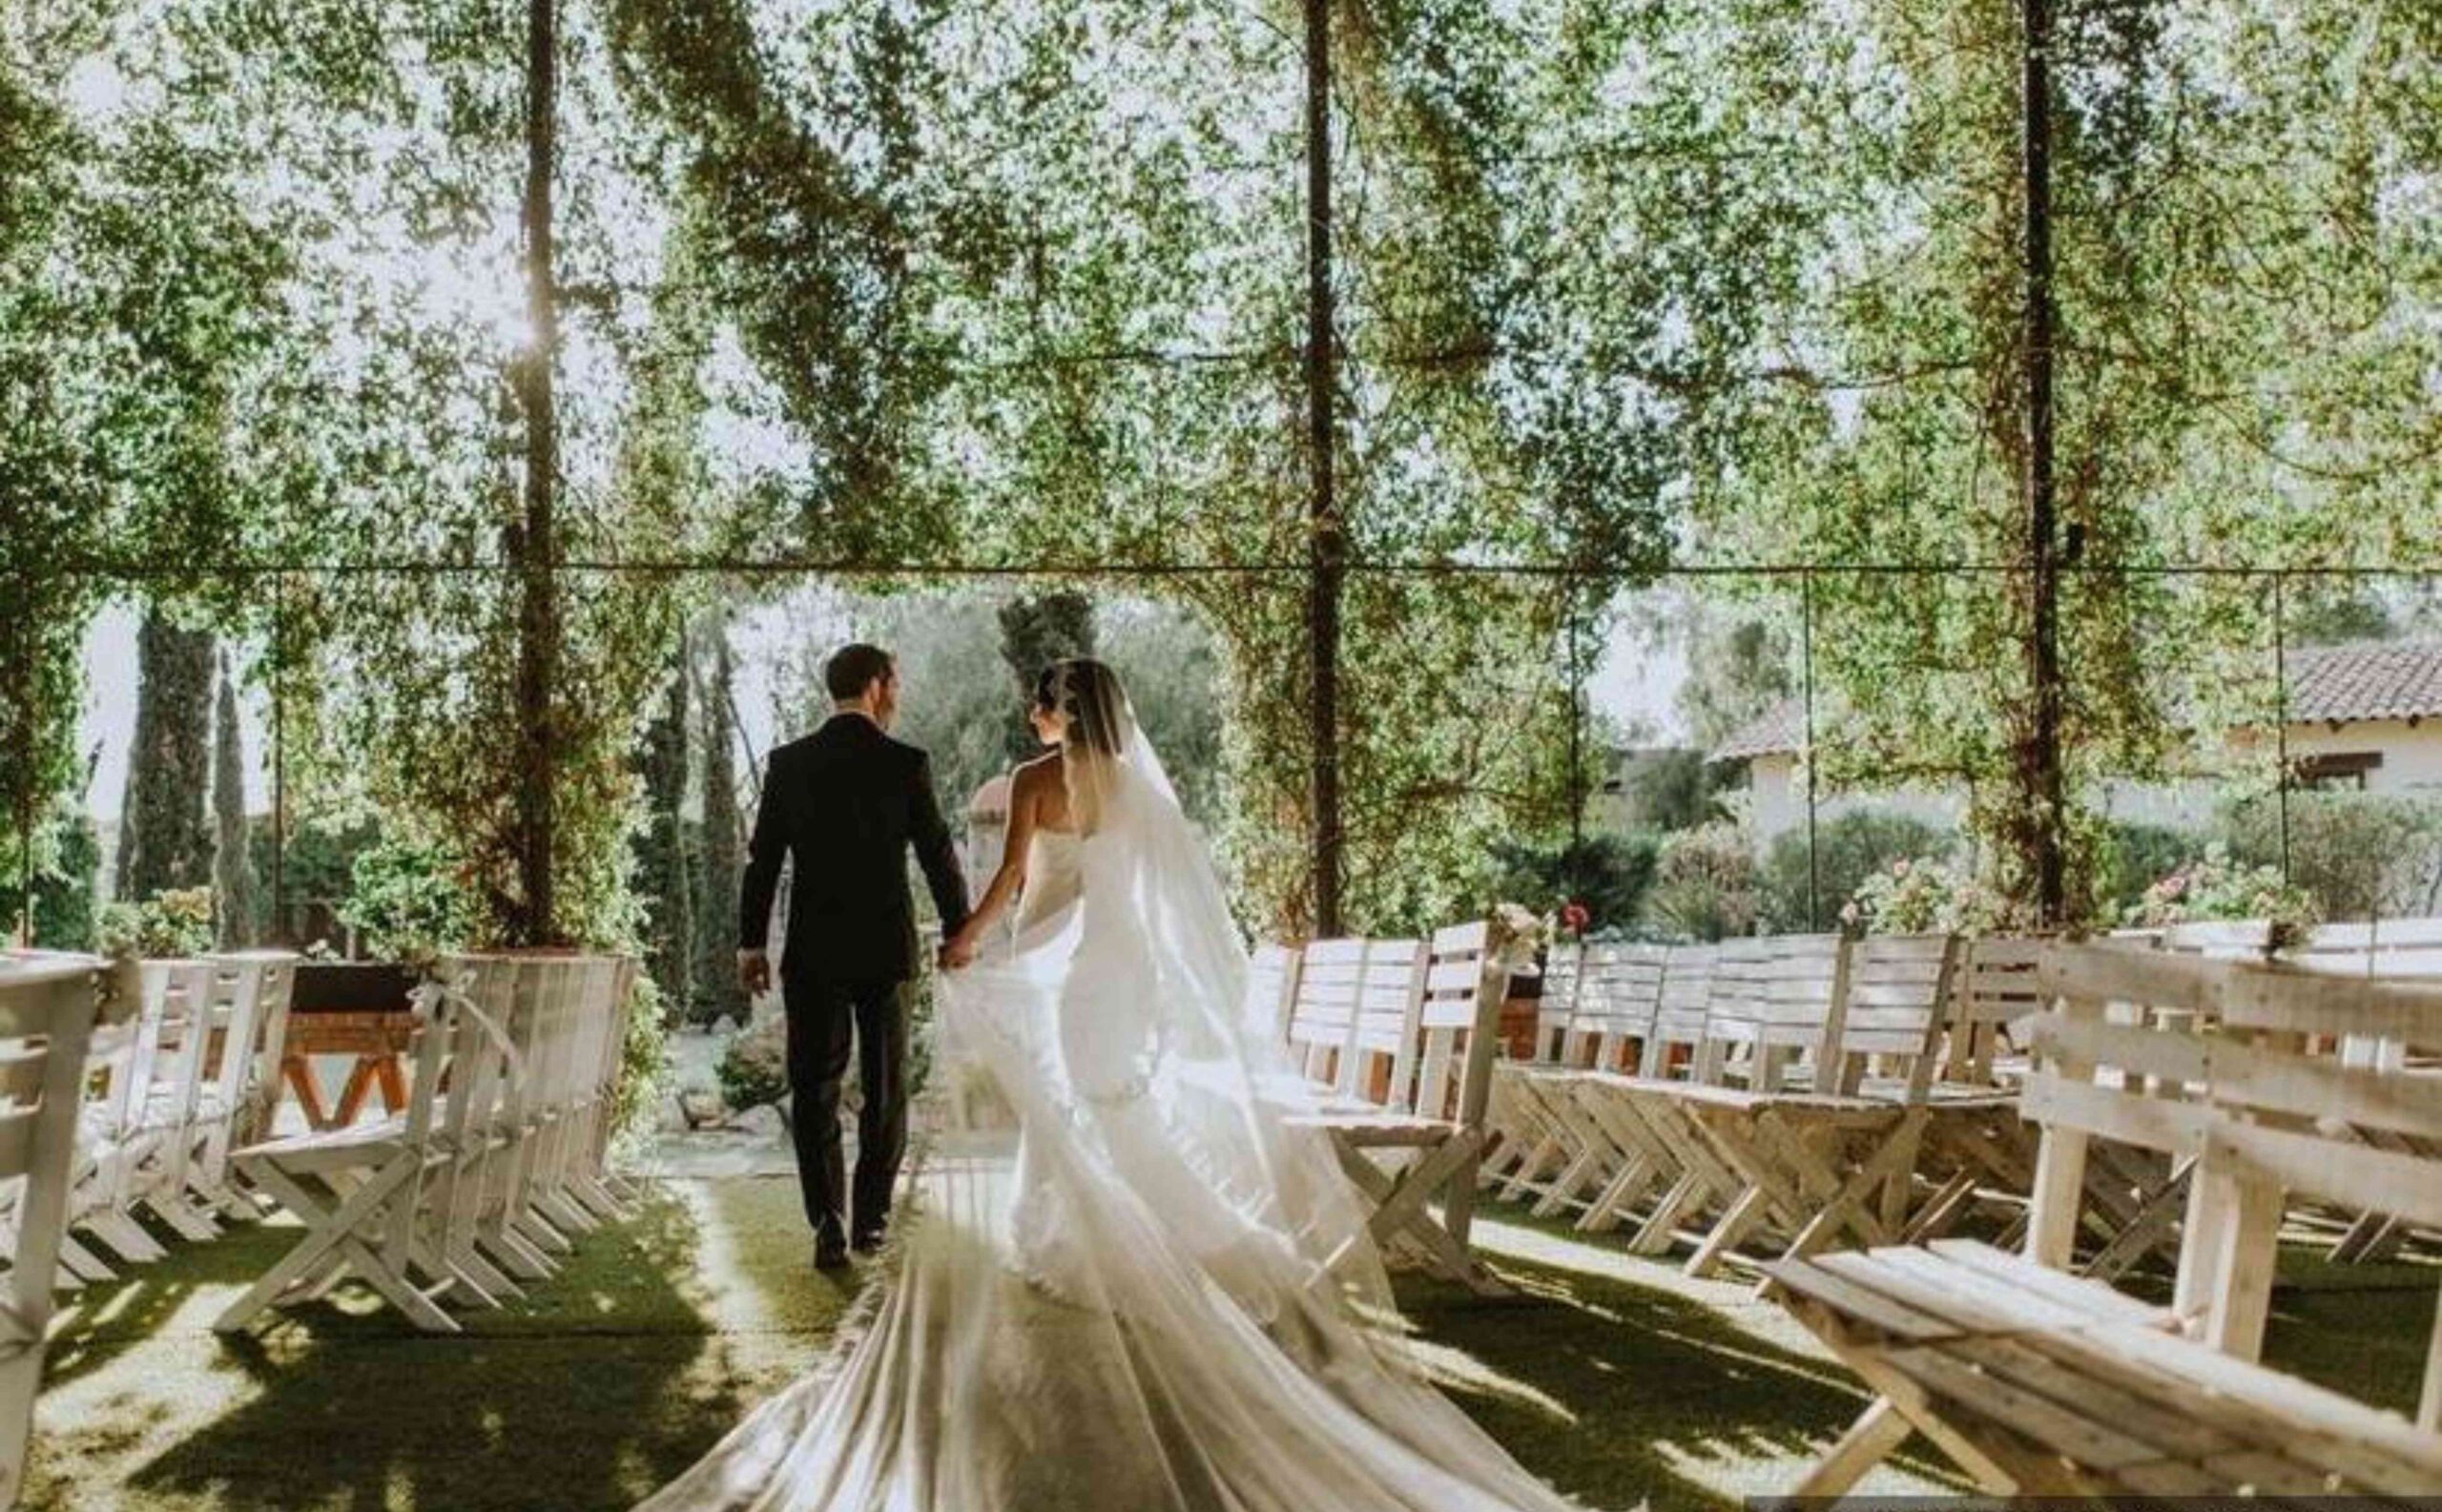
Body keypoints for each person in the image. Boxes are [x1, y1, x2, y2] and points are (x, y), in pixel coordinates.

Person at [661, 656, 1575, 1511]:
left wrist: (965, 939)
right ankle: (1149, 1226)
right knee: (1101, 1104)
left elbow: (1002, 876)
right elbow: (1149, 897)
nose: (1033, 715)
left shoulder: (1027, 780)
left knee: (1050, 1103)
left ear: (1063, 711)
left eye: (1042, 704)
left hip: (1041, 969)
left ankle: (1097, 1231)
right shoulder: (1139, 788)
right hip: (1125, 968)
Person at [736, 643, 969, 1272]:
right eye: (895, 682)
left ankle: (829, 1221)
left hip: (813, 949)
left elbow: (763, 862)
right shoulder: (905, 763)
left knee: (814, 1084)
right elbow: (938, 854)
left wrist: (750, 941)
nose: (898, 695)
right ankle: (872, 1219)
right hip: (886, 948)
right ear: (874, 685)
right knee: (887, 1085)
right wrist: (959, 929)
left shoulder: (789, 763)